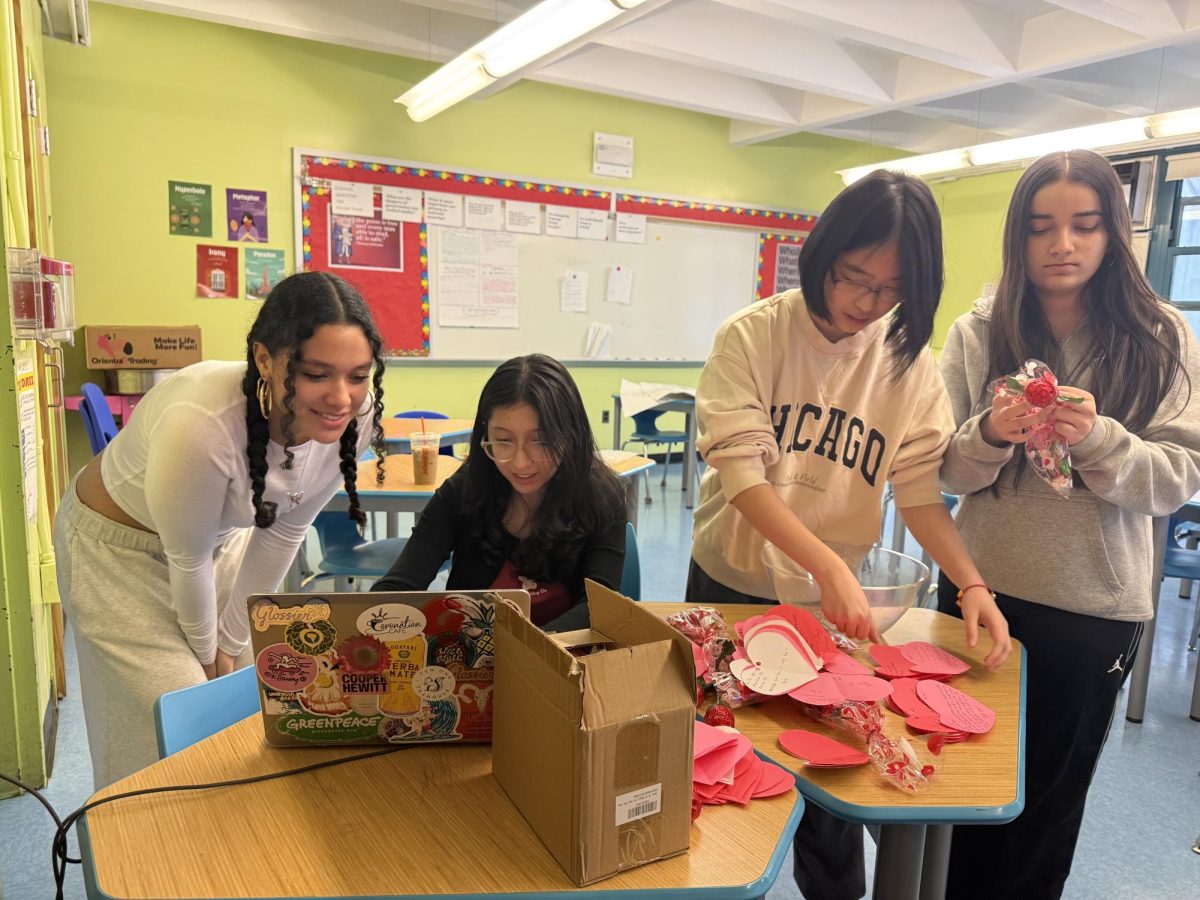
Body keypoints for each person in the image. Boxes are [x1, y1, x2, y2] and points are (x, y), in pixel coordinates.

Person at [687, 169, 1012, 900]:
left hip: (825, 608)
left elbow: (921, 494)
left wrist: (972, 583)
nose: (863, 304)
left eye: (887, 291)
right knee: (720, 760)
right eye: (852, 278)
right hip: (732, 586)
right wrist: (832, 565)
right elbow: (744, 481)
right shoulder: (755, 335)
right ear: (822, 256)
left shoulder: (909, 365)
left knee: (825, 768)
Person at [937, 148, 1200, 899]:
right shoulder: (978, 330)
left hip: (1092, 611)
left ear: (1114, 232)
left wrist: (1098, 439)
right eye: (1042, 227)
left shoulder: (1162, 337)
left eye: (1085, 226)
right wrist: (990, 433)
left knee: (1041, 819)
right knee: (947, 801)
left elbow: (1177, 475)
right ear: (1017, 239)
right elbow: (941, 475)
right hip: (977, 593)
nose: (1063, 245)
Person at [54, 271, 387, 787]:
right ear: (264, 360)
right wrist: (212, 656)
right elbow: (185, 560)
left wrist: (229, 642)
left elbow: (282, 531)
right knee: (170, 720)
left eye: (358, 375)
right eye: (317, 374)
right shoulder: (201, 421)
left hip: (216, 541)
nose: (341, 397)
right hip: (117, 551)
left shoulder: (354, 416)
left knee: (250, 695)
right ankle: (139, 857)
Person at [372, 354, 626, 631]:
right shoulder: (463, 492)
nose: (520, 462)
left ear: (570, 436)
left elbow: (600, 605)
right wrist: (373, 617)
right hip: (471, 662)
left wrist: (526, 650)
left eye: (540, 441)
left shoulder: (601, 497)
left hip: (567, 662)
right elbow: (400, 585)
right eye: (503, 441)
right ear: (485, 434)